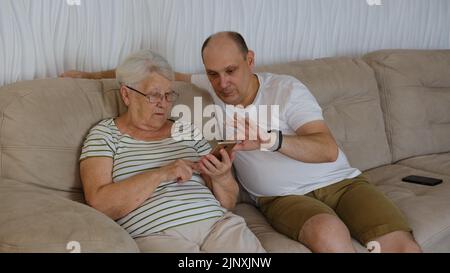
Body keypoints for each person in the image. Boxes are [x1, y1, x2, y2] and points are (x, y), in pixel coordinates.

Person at [64, 32, 421, 253]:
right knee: (329, 233)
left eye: (231, 71)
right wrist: (89, 77)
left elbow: (325, 150)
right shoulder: (111, 130)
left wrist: (259, 148)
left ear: (250, 61)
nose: (222, 83)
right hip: (268, 203)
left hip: (328, 186)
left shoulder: (283, 90)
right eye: (213, 74)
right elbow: (152, 78)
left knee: (400, 245)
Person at [78, 49, 264, 253]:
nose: (163, 104)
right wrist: (162, 173)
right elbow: (100, 204)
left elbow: (228, 203)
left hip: (218, 225)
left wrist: (222, 176)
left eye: (168, 95)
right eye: (154, 95)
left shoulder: (187, 130)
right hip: (157, 235)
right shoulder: (105, 134)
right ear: (126, 94)